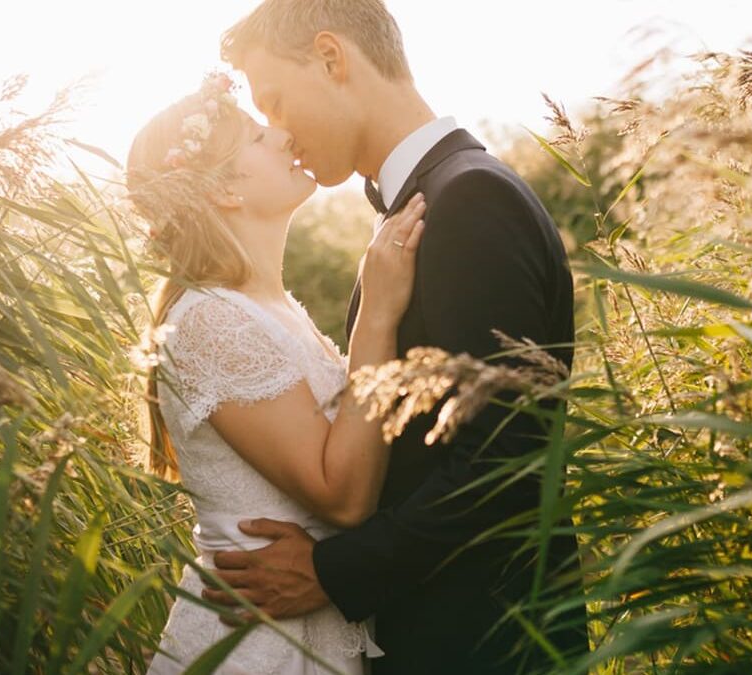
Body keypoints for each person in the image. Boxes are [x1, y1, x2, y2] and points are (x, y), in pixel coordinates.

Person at [205, 1, 587, 673]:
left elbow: (504, 460)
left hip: (487, 646)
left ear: (331, 58)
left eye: (275, 102)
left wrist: (332, 571)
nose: (279, 132)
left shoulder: (471, 200)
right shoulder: (430, 199)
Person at [126, 72, 425, 674]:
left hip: (305, 633)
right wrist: (377, 315)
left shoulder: (268, 308)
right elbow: (343, 497)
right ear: (223, 191)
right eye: (258, 137)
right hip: (256, 649)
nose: (284, 135)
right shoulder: (210, 320)